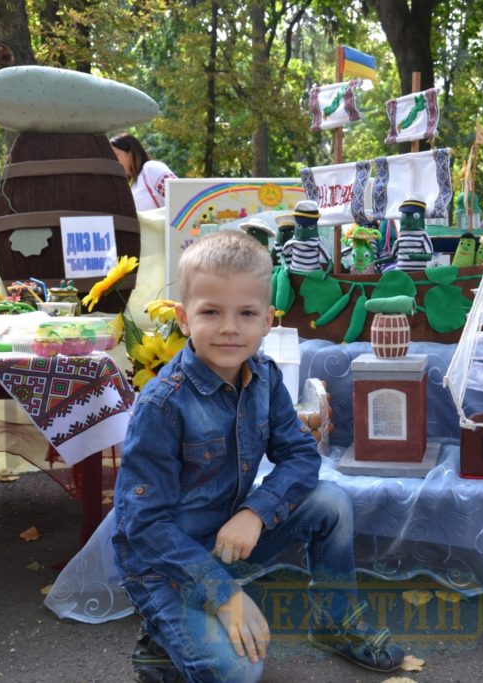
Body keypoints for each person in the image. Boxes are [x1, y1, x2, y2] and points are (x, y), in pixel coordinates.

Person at [113, 229, 404, 683]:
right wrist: (221, 591)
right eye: (211, 312)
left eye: (246, 313)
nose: (230, 328)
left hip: (229, 532)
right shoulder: (161, 406)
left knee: (331, 502)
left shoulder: (264, 377)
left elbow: (301, 457)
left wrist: (256, 511)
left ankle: (334, 621)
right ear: (183, 318)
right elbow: (142, 527)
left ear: (268, 320)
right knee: (240, 671)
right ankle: (163, 640)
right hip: (165, 565)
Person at [110, 132, 179, 211]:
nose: (113, 161)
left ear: (130, 153)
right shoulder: (132, 185)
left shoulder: (150, 168)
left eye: (115, 155)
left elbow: (179, 195)